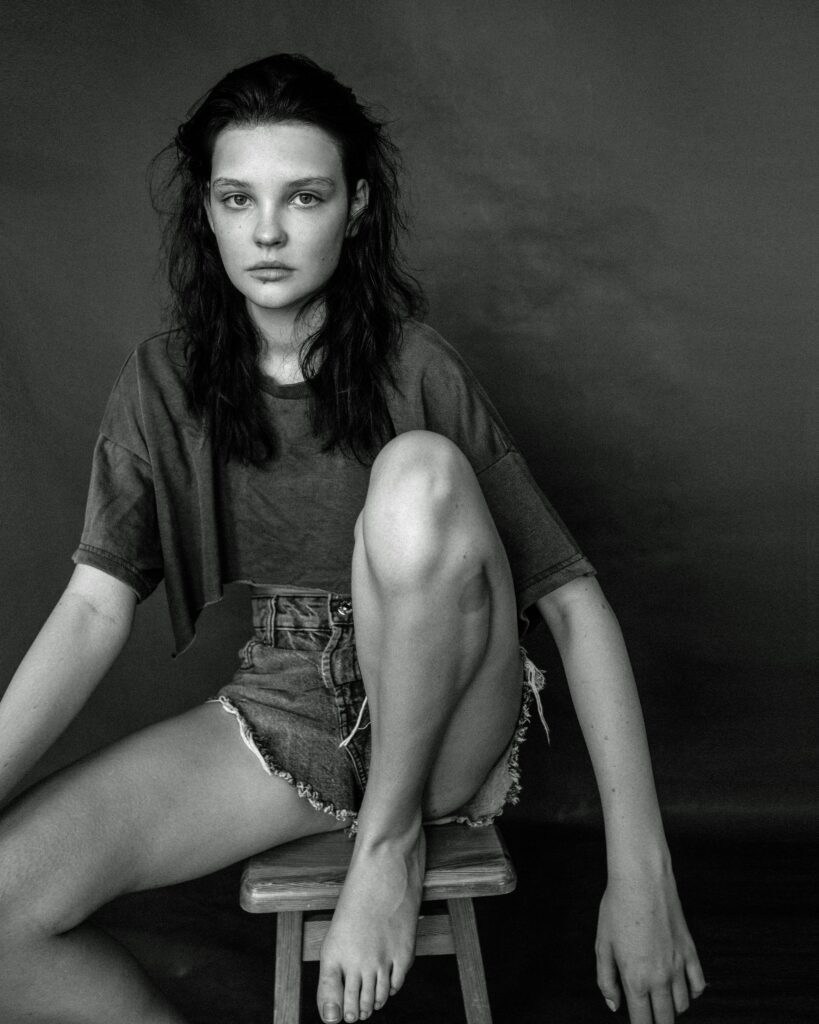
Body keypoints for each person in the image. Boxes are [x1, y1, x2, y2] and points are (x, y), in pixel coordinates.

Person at [0, 53, 706, 1024]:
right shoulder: (161, 384)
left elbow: (573, 606)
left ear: (357, 205)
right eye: (238, 199)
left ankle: (389, 841)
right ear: (206, 211)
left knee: (416, 472)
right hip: (287, 702)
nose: (269, 232)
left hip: (448, 704)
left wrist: (641, 875)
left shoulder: (416, 367)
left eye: (305, 197)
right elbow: (91, 610)